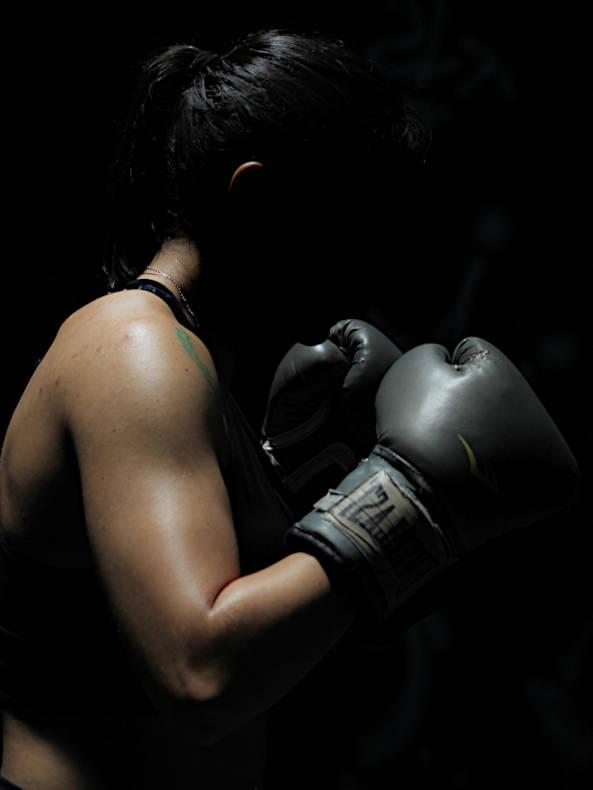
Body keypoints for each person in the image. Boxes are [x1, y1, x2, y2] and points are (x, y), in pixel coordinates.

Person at [0, 29, 579, 790]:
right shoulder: (135, 353)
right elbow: (201, 676)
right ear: (257, 197)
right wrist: (402, 500)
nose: (366, 270)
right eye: (351, 228)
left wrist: (311, 488)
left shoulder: (202, 365)